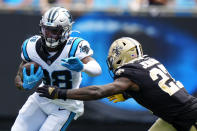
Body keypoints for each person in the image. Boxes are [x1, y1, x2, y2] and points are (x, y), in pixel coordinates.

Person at [37, 37, 197, 131]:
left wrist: (60, 93)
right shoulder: (150, 61)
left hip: (188, 118)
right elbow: (154, 86)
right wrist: (127, 93)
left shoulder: (129, 74)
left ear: (121, 56)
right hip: (178, 114)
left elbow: (97, 91)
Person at [12, 6, 102, 131]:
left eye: (55, 31)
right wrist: (24, 84)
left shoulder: (74, 46)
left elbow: (97, 70)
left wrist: (83, 67)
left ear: (66, 30)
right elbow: (18, 76)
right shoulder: (31, 46)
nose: (49, 35)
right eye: (46, 30)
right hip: (42, 97)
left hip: (66, 104)